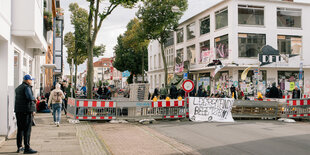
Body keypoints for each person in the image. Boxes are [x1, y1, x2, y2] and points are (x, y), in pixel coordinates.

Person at [14, 75, 37, 154]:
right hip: (26, 111)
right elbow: (29, 97)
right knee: (27, 130)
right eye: (30, 80)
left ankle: (19, 147)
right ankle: (27, 148)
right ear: (27, 80)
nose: (31, 81)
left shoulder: (18, 88)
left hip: (18, 111)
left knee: (20, 129)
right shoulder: (27, 87)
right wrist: (34, 99)